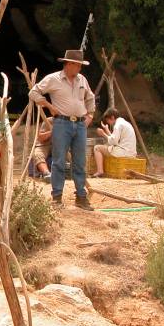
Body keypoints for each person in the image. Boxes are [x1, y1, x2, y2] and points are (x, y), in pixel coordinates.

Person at [29, 49, 95, 210]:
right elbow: (34, 92)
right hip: (62, 123)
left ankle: (81, 197)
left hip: (80, 124)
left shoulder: (82, 80)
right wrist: (49, 106)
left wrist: (90, 116)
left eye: (80, 65)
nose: (80, 68)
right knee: (59, 161)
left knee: (80, 162)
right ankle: (57, 197)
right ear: (69, 64)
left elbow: (90, 97)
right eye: (78, 65)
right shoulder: (53, 79)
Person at [92, 107, 137, 177]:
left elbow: (113, 141)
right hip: (130, 151)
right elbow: (115, 139)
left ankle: (100, 171)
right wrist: (106, 130)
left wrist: (103, 134)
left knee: (97, 148)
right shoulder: (125, 123)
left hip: (123, 151)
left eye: (108, 120)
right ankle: (101, 170)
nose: (108, 123)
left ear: (112, 117)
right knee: (107, 147)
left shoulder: (118, 125)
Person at [30, 115, 53, 182]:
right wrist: (51, 132)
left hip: (60, 145)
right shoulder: (48, 121)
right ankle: (47, 174)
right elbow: (40, 138)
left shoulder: (68, 122)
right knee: (37, 154)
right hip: (44, 144)